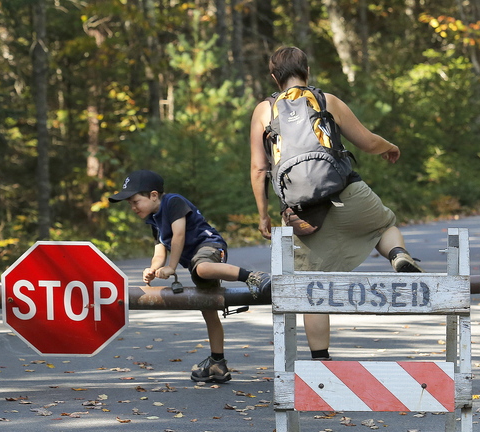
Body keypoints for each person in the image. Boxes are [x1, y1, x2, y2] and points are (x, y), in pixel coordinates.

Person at [249, 46, 422, 361]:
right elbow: (368, 141)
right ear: (307, 71)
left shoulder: (264, 110)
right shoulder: (327, 101)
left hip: (301, 212)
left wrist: (263, 216)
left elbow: (259, 169)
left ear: (274, 77)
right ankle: (397, 255)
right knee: (384, 225)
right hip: (347, 193)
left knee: (310, 282)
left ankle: (321, 361)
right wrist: (390, 146)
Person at [109, 169, 271, 383]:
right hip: (196, 262)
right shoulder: (154, 221)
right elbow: (161, 249)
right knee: (208, 308)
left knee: (202, 268)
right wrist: (153, 268)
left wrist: (172, 267)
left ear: (154, 195)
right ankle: (218, 363)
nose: (132, 207)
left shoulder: (173, 202)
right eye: (129, 203)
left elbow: (179, 235)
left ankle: (255, 277)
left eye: (135, 201)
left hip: (209, 247)